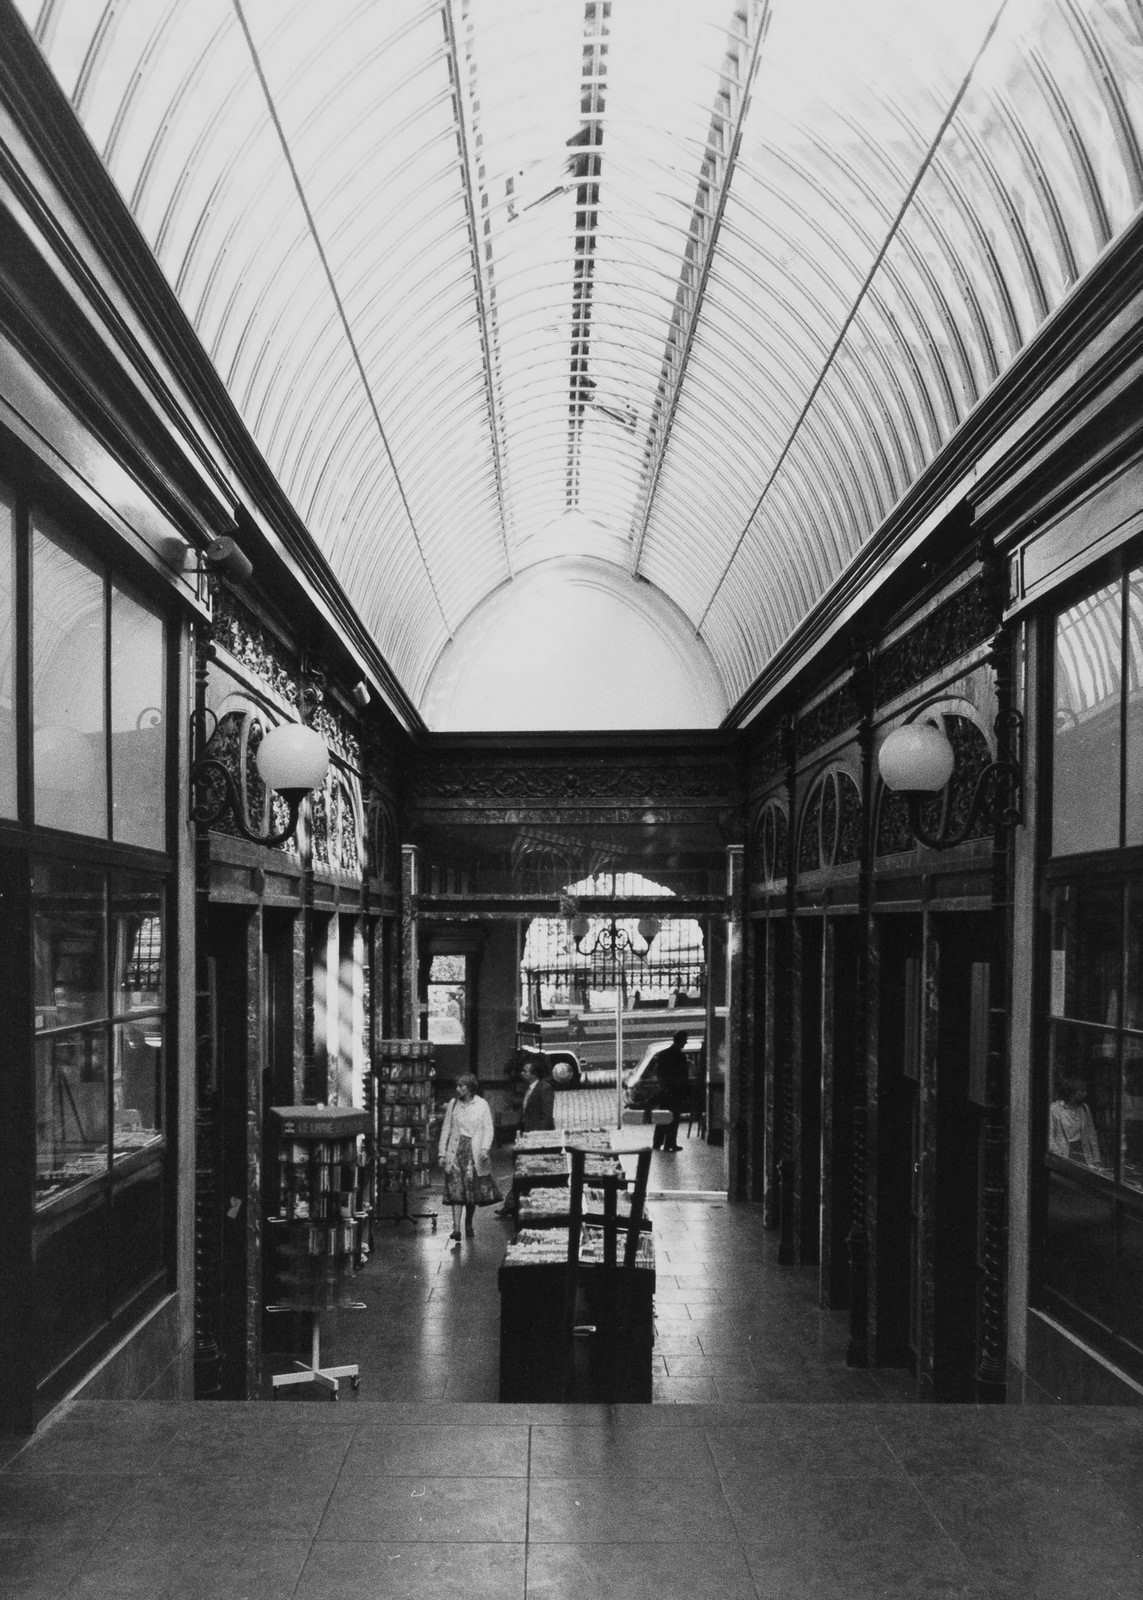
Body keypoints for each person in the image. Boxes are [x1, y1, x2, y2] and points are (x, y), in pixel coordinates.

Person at [438, 1073, 501, 1241]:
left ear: (470, 1088)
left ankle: (468, 1222)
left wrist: (485, 1148)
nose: (458, 1089)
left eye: (461, 1086)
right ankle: (456, 1228)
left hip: (474, 1151)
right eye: (457, 1086)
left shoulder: (482, 1105)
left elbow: (488, 1128)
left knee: (470, 1191)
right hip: (456, 1150)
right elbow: (446, 1129)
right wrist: (441, 1153)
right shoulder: (453, 1105)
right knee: (455, 1189)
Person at [495, 1055, 556, 1219]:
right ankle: (512, 1203)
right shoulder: (530, 1089)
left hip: (536, 1138)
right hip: (526, 1135)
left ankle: (515, 1204)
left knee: (527, 1171)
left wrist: (538, 1137)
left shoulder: (544, 1088)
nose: (523, 1073)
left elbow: (547, 1115)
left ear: (534, 1074)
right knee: (521, 1170)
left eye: (526, 1071)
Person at [1049, 1073, 1102, 1167]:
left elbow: (1091, 1133)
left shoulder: (1084, 1108)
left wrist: (1096, 1158)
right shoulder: (1054, 1109)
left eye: (1085, 1091)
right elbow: (1050, 1136)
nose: (1085, 1094)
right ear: (1072, 1092)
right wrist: (1059, 1156)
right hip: (1064, 1153)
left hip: (1083, 1153)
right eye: (1081, 1091)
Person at [651, 1031, 690, 1152]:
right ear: (680, 1040)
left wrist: (663, 1087)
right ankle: (670, 1143)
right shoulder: (680, 1056)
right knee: (674, 1119)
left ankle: (657, 1143)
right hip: (676, 1092)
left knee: (663, 1118)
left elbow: (659, 1074)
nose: (686, 1042)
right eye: (685, 1040)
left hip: (666, 1091)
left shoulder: (663, 1054)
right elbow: (684, 1076)